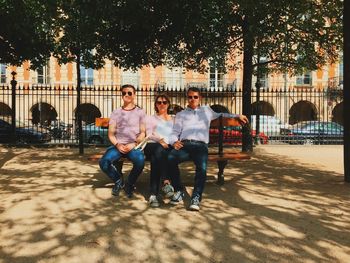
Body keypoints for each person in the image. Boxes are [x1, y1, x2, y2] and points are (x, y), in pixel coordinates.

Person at [167, 87, 248, 211]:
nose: (192, 99)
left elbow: (222, 114)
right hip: (185, 145)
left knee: (202, 167)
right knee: (170, 158)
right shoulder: (181, 114)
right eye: (190, 97)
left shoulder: (207, 111)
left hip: (200, 146)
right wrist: (173, 142)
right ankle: (179, 190)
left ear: (200, 98)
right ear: (187, 98)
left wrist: (238, 115)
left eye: (195, 97)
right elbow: (175, 132)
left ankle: (196, 197)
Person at [99, 84, 146, 198]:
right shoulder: (116, 112)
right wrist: (117, 144)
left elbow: (143, 133)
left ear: (134, 95)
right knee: (103, 162)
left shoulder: (140, 112)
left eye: (129, 93)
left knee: (140, 161)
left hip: (133, 146)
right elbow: (110, 134)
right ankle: (118, 180)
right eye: (124, 93)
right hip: (118, 145)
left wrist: (134, 143)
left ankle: (129, 184)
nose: (126, 95)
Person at [144, 94, 175, 207]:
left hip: (166, 148)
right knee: (158, 149)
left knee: (155, 159)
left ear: (168, 104)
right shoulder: (151, 118)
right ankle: (166, 181)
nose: (162, 104)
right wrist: (160, 140)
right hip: (152, 145)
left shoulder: (173, 119)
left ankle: (153, 195)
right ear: (155, 105)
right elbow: (149, 134)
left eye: (164, 102)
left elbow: (176, 134)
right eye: (159, 102)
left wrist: (172, 143)